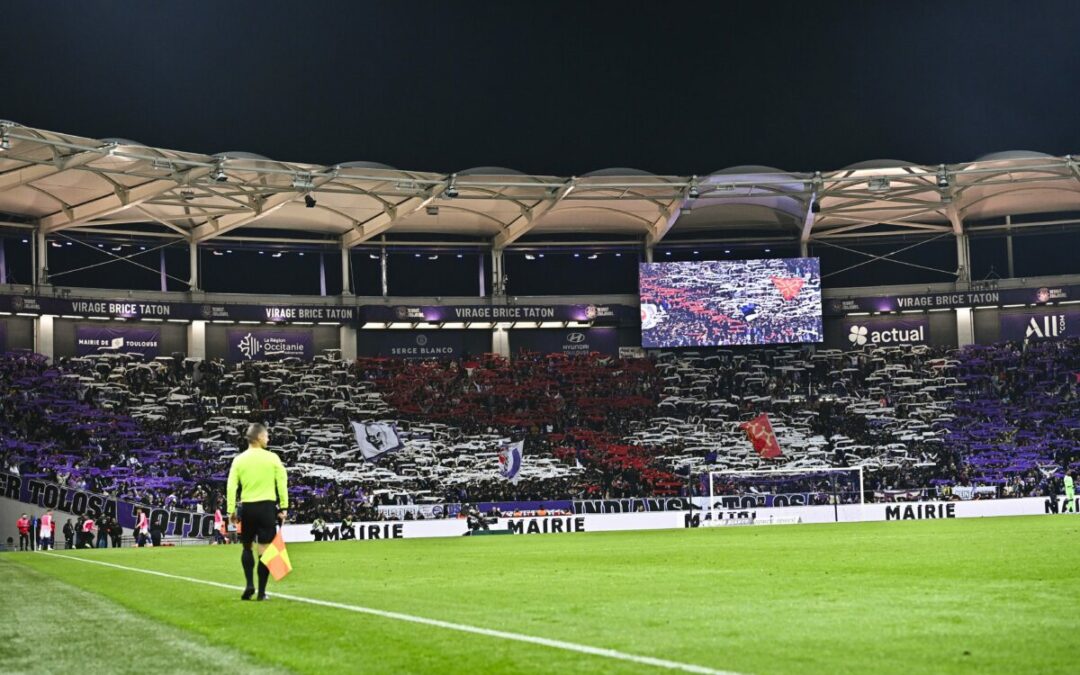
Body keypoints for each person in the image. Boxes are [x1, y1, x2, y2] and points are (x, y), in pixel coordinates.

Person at [226, 422, 288, 601]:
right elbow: (281, 482)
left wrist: (231, 509)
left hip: (248, 507)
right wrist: (283, 506)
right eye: (267, 435)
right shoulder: (272, 458)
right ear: (259, 437)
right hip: (267, 507)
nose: (268, 438)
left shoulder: (239, 460)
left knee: (246, 547)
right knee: (265, 550)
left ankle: (249, 584)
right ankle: (261, 592)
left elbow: (231, 485)